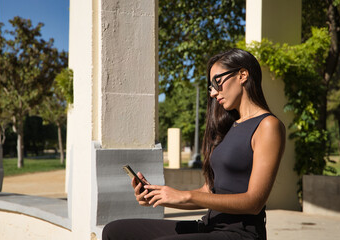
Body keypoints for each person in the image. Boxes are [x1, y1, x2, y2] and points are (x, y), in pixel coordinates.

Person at [102, 48, 286, 240]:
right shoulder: (230, 126)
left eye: (217, 81)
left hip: (240, 233)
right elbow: (208, 191)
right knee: (114, 231)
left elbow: (254, 202)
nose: (214, 92)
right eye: (211, 86)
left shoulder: (267, 126)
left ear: (242, 75)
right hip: (208, 225)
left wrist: (185, 196)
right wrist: (161, 197)